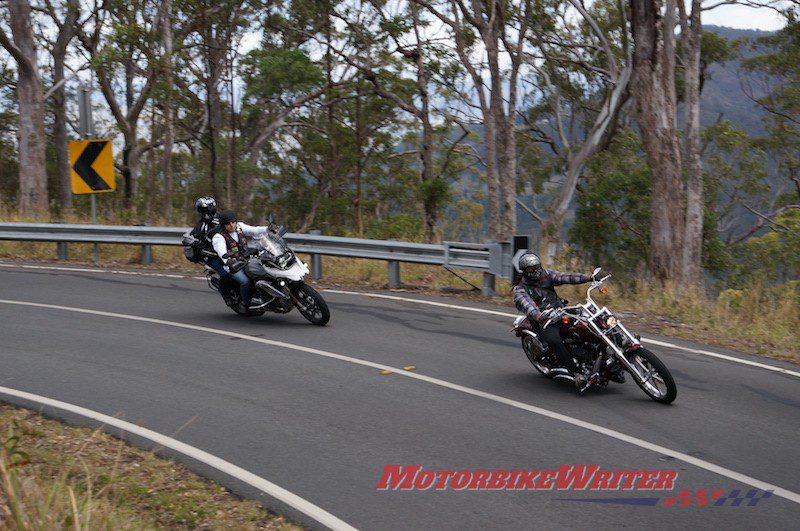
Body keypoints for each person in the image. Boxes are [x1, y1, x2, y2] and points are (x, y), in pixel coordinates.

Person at [513, 252, 593, 389]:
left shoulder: (546, 275)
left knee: (588, 324)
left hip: (560, 313)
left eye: (537, 266)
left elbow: (565, 277)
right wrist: (538, 315)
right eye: (531, 269)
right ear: (525, 271)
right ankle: (576, 374)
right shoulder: (520, 289)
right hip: (543, 322)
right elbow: (527, 304)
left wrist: (589, 278)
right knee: (556, 341)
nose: (536, 270)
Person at [211, 210, 275, 309]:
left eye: (233, 222)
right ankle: (247, 303)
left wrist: (268, 229)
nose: (231, 225)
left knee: (265, 271)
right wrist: (228, 260)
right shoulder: (219, 237)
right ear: (223, 225)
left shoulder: (239, 227)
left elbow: (254, 231)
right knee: (245, 281)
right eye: (228, 224)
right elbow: (221, 251)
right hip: (233, 265)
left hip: (247, 259)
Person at [190, 196, 234, 305]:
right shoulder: (200, 228)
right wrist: (215, 254)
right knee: (225, 274)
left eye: (211, 207)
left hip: (229, 250)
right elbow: (199, 247)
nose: (210, 209)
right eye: (207, 208)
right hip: (212, 256)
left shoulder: (221, 218)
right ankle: (226, 296)